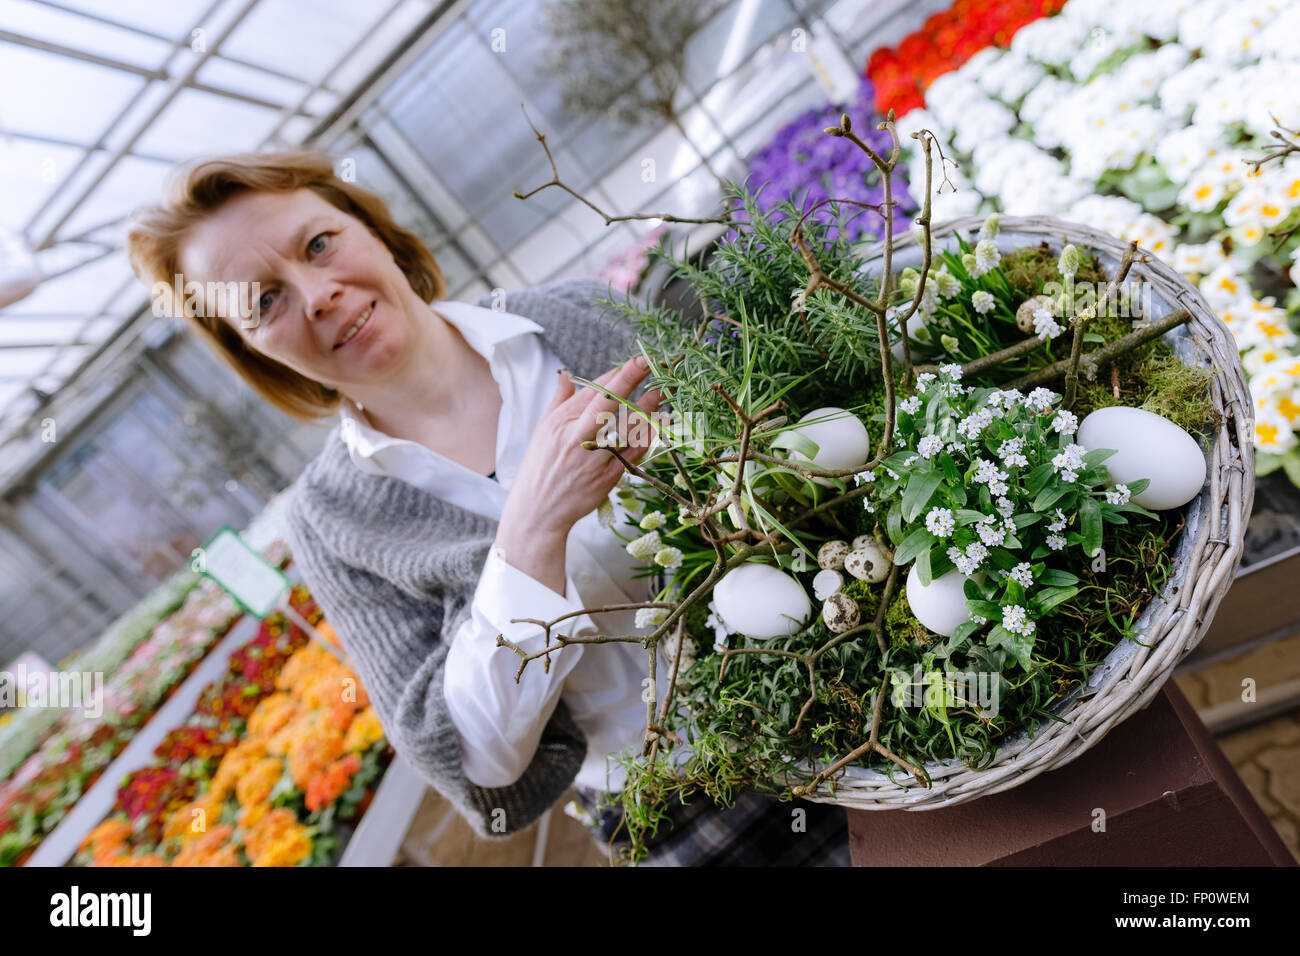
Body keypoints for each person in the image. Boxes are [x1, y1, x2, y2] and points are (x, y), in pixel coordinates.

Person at [124, 149, 851, 866]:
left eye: (318, 243)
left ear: (368, 226)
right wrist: (533, 527)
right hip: (686, 804)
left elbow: (775, 459)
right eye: (263, 301)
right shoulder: (332, 523)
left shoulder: (578, 318)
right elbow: (475, 761)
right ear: (252, 351)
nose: (315, 294)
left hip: (838, 679)